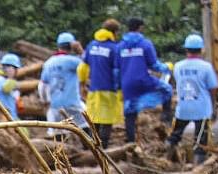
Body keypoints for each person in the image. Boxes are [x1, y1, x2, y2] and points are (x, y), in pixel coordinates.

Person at [117, 17, 173, 144]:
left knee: (129, 112)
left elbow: (116, 69)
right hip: (143, 81)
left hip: (127, 84)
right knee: (167, 90)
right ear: (140, 28)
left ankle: (130, 142)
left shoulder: (120, 46)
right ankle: (166, 118)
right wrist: (167, 67)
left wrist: (118, 86)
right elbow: (154, 65)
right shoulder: (145, 44)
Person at [166, 34, 218, 164]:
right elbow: (214, 88)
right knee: (201, 142)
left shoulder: (178, 66)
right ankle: (198, 169)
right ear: (201, 50)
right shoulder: (206, 67)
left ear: (186, 49)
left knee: (174, 136)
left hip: (183, 108)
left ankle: (164, 160)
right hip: (202, 110)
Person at [79, 18, 123, 148]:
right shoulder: (114, 48)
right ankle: (103, 149)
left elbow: (82, 67)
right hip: (109, 89)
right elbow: (116, 72)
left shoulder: (92, 45)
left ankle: (92, 147)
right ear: (114, 32)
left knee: (94, 118)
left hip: (94, 88)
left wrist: (82, 83)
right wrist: (118, 88)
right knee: (107, 120)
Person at [39, 32, 88, 138]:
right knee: (85, 127)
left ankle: (60, 153)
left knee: (58, 133)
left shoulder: (48, 63)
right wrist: (80, 51)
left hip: (55, 105)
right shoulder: (74, 61)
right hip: (72, 102)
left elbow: (42, 86)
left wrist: (44, 101)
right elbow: (87, 64)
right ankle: (90, 151)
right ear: (71, 46)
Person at [0, 53, 22, 119]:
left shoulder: (6, 80)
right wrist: (11, 77)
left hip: (10, 116)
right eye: (15, 69)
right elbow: (6, 88)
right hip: (2, 117)